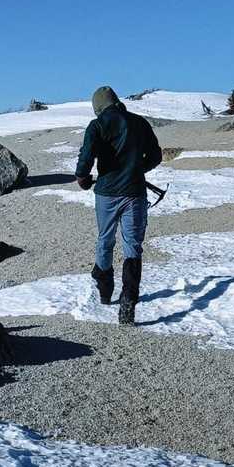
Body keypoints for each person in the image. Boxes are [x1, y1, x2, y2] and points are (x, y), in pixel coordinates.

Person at [75, 85, 163, 325]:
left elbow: (86, 157)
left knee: (105, 239)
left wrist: (83, 178)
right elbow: (156, 156)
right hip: (134, 192)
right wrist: (136, 170)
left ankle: (105, 289)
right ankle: (128, 299)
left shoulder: (97, 125)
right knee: (132, 246)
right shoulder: (139, 123)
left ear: (98, 106)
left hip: (106, 194)